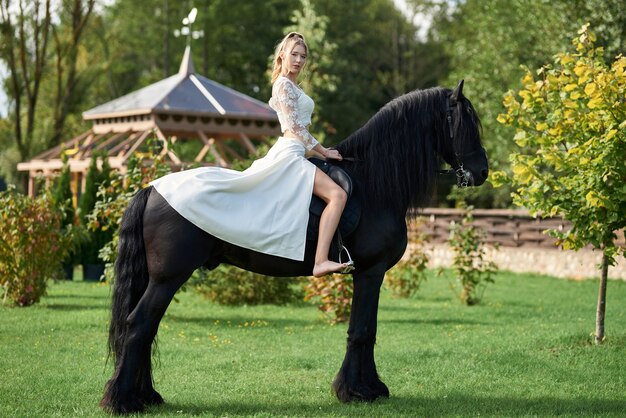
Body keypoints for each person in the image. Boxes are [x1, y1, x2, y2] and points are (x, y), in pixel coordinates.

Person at [150, 32, 353, 277]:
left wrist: (316, 152)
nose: (299, 60)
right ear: (282, 56)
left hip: (299, 152)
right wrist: (324, 151)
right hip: (290, 153)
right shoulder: (283, 85)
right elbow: (294, 127)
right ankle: (320, 261)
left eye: (303, 56)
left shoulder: (293, 86)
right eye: (294, 54)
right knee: (338, 195)